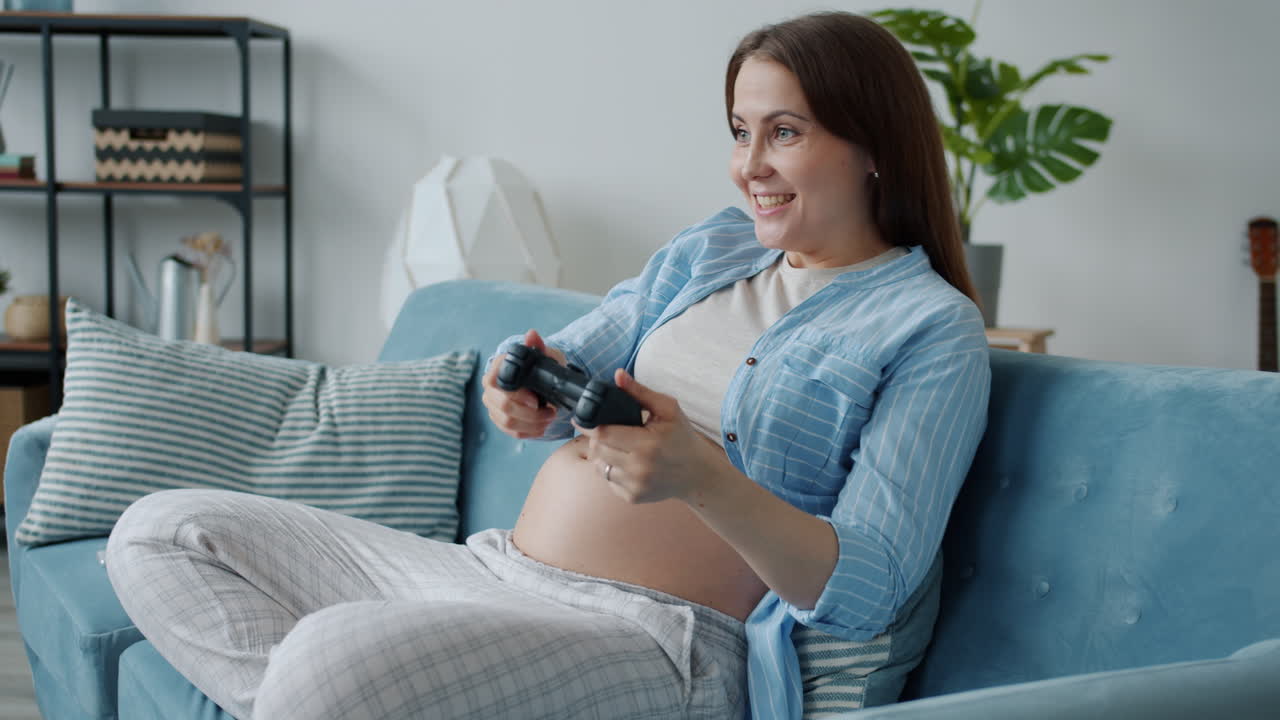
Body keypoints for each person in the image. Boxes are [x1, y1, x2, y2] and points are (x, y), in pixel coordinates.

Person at [105, 10, 989, 720]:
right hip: (494, 572)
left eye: (783, 133)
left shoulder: (928, 330)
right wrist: (520, 381)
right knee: (156, 532)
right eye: (739, 131)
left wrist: (706, 479)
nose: (748, 166)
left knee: (330, 659)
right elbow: (578, 353)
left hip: (663, 639)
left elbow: (869, 587)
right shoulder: (712, 250)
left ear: (873, 146)